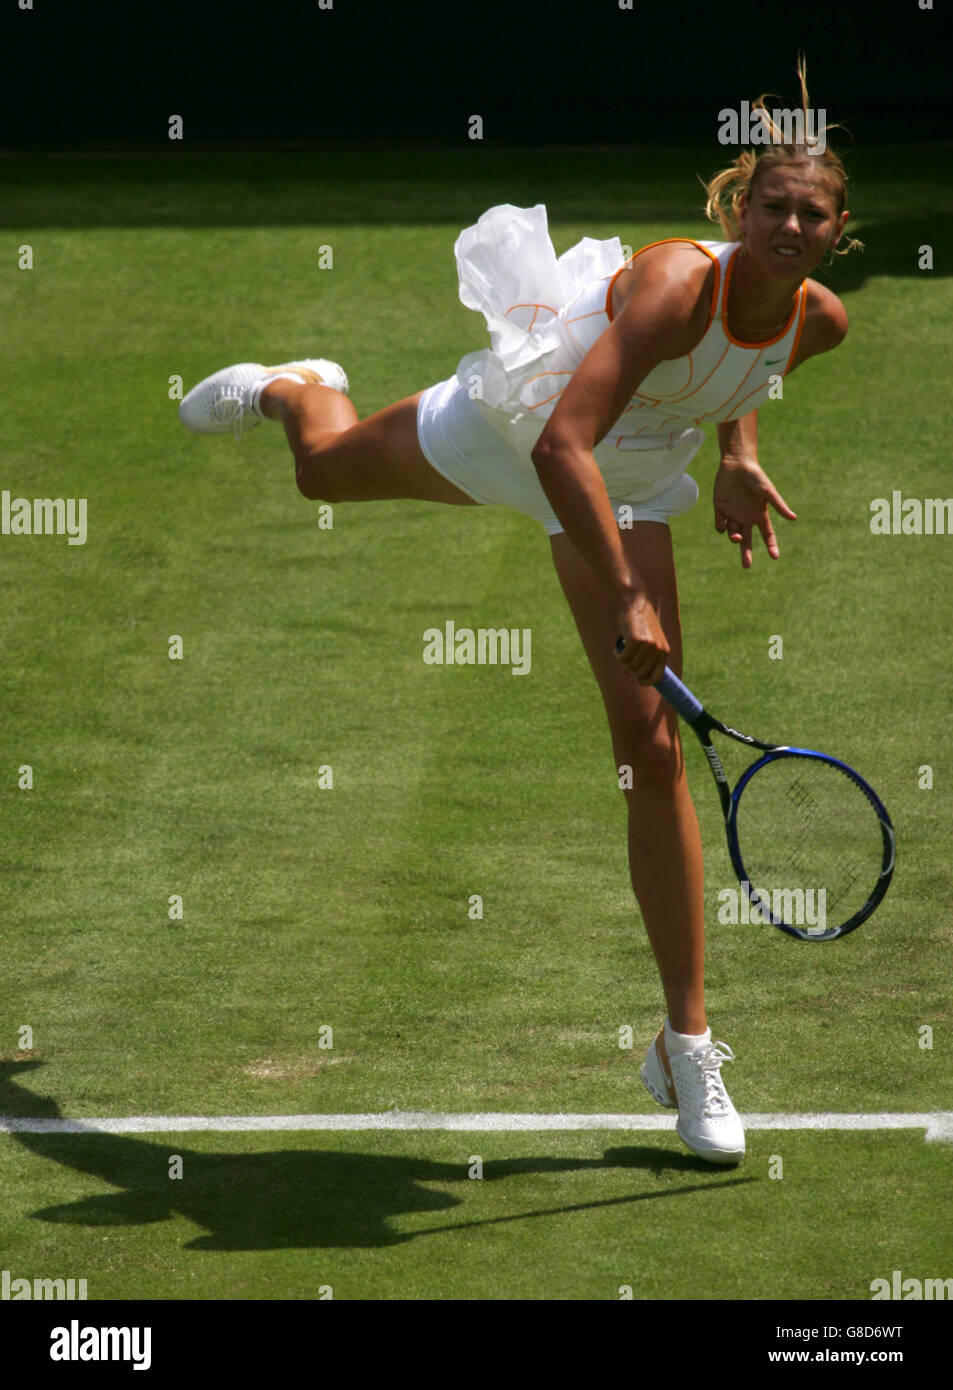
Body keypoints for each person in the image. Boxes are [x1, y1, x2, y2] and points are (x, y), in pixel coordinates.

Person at [179, 63, 860, 1164]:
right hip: (529, 423)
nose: (788, 224)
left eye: (810, 213)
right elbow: (557, 447)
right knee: (323, 472)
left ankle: (685, 1043)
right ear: (736, 212)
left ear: (837, 231)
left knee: (647, 745)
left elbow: (751, 375)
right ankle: (296, 386)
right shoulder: (673, 287)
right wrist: (630, 596)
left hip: (627, 473)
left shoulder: (816, 322)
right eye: (770, 206)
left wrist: (737, 454)